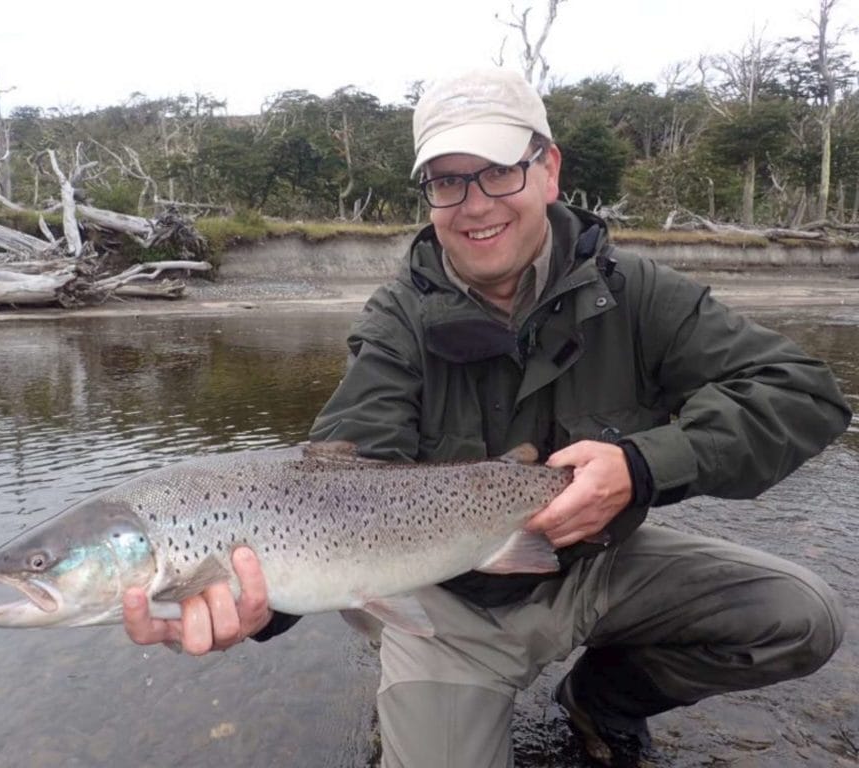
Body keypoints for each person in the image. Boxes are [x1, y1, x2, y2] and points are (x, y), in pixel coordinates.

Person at [122, 68, 852, 767]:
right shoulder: (396, 321)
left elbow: (804, 395)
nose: (474, 204)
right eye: (447, 181)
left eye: (498, 170)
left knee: (798, 617)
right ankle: (423, 700)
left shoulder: (639, 295)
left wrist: (640, 467)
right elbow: (335, 483)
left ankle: (603, 699)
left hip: (599, 567)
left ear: (548, 170)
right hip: (453, 608)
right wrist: (261, 602)